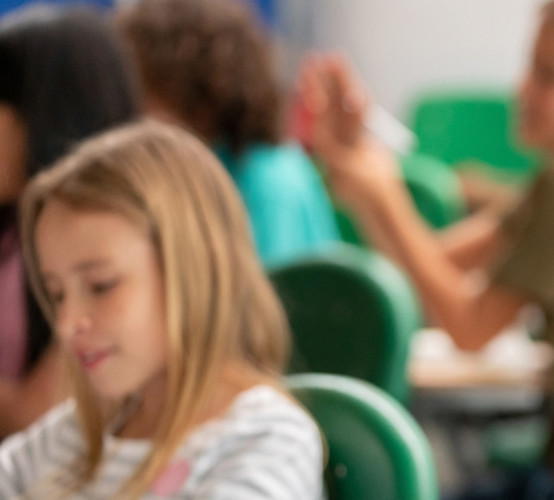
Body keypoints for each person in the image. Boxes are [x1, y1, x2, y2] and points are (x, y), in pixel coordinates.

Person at [299, 0, 554, 496]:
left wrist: (384, 194)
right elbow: (434, 263)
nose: (522, 89)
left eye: (548, 76)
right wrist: (367, 179)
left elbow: (469, 327)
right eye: (530, 68)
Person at [0, 122, 322, 498]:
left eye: (102, 286)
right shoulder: (74, 436)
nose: (67, 324)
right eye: (56, 294)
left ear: (194, 268)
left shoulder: (266, 442)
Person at [0, 3, 141, 438]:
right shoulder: (13, 230)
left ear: (46, 117)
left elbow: (36, 419)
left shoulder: (111, 241)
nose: (69, 321)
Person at [118, 0, 339, 266]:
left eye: (146, 91)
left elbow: (269, 302)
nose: (133, 110)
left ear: (198, 93)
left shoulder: (270, 184)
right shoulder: (187, 172)